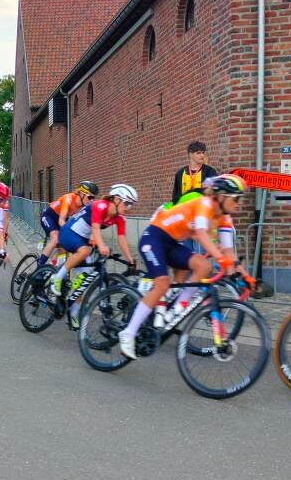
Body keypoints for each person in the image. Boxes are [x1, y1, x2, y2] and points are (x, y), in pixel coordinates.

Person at [118, 174, 246, 359]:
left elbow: (228, 251)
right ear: (221, 196)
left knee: (203, 266)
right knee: (162, 283)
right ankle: (128, 333)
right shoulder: (205, 203)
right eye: (236, 198)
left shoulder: (225, 217)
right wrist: (222, 260)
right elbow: (201, 234)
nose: (240, 203)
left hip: (173, 244)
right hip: (154, 238)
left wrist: (246, 276)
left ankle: (179, 306)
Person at [49, 184, 137, 297]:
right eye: (127, 203)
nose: (128, 208)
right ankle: (57, 278)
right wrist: (102, 246)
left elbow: (122, 238)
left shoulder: (120, 218)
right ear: (116, 199)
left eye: (131, 205)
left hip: (82, 239)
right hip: (69, 232)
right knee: (86, 250)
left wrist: (130, 259)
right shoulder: (101, 205)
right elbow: (95, 227)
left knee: (84, 280)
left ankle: (74, 307)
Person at [37, 181, 99, 266]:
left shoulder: (85, 206)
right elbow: (61, 220)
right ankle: (39, 266)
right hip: (49, 217)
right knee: (55, 239)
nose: (91, 200)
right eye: (90, 197)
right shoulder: (68, 198)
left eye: (93, 198)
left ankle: (53, 266)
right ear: (81, 194)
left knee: (64, 245)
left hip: (63, 219)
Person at [171, 141, 217, 206]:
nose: (202, 155)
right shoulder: (180, 173)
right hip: (184, 209)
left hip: (202, 209)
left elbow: (214, 192)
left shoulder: (209, 171)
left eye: (203, 153)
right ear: (190, 154)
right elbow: (176, 196)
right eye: (198, 153)